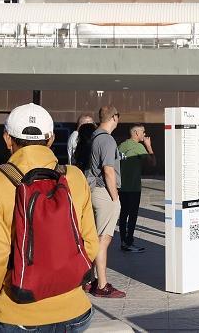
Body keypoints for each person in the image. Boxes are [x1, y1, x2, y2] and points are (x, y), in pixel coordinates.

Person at [0, 103, 98, 332]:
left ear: (8, 139)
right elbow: (90, 244)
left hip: (18, 309)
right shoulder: (74, 177)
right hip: (75, 310)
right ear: (51, 139)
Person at [82, 106, 126, 298]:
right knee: (103, 240)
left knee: (95, 238)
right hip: (104, 193)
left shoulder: (95, 137)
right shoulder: (107, 139)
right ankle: (102, 285)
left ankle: (90, 280)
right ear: (115, 117)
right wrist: (115, 198)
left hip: (93, 191)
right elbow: (108, 170)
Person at [117, 124, 155, 253]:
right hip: (133, 187)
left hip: (122, 187)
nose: (145, 135)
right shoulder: (139, 147)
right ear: (136, 133)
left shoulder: (121, 146)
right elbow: (152, 163)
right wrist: (149, 146)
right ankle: (129, 243)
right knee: (132, 215)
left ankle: (123, 241)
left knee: (123, 214)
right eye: (143, 132)